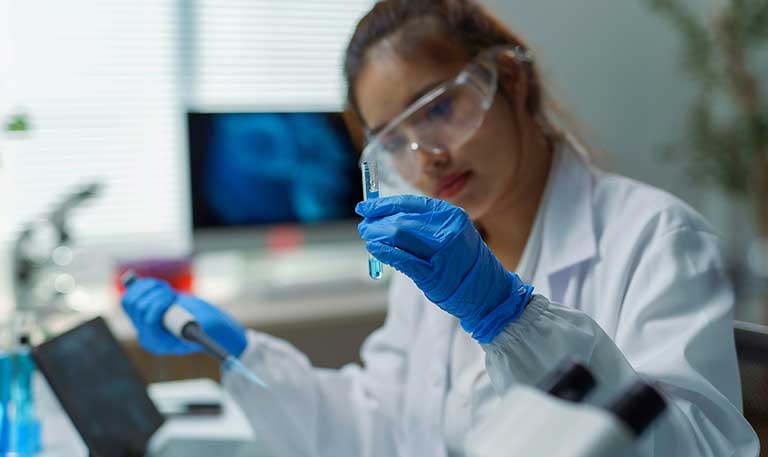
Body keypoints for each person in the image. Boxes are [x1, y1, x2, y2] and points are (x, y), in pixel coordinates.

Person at [121, 1, 760, 455]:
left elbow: (701, 450)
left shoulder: (656, 239)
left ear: (511, 82)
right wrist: (241, 354)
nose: (426, 154)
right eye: (394, 140)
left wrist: (512, 319)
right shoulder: (436, 266)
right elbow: (379, 428)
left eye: (441, 108)